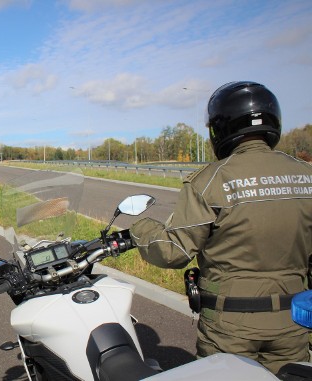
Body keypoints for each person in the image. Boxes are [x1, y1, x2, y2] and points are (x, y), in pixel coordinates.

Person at [129, 81, 312, 374]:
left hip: (230, 326)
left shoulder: (211, 181)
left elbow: (173, 251)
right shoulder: (306, 175)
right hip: (293, 323)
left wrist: (140, 227)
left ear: (219, 129)